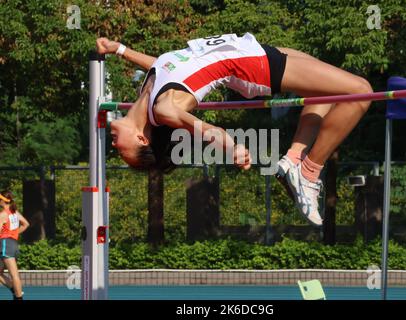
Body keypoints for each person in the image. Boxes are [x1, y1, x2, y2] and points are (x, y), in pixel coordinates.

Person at [96, 32, 372, 227]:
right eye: (121, 151)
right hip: (252, 67)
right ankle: (309, 170)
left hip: (249, 49)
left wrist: (119, 50)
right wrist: (233, 148)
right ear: (142, 138)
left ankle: (293, 160)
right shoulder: (164, 109)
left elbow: (163, 64)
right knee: (361, 91)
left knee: (328, 90)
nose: (113, 146)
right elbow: (210, 130)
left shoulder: (148, 90)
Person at [0, 191, 29, 300]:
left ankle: (19, 297)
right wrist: (14, 233)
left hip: (5, 244)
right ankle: (14, 290)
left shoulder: (3, 214)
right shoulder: (14, 212)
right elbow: (26, 224)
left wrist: (9, 234)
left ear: (3, 201)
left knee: (14, 274)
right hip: (12, 243)